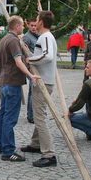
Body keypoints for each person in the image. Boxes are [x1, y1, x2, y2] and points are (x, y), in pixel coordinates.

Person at [0, 16, 39, 162]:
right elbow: (18, 62)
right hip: (12, 82)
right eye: (22, 25)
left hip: (4, 81)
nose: (24, 28)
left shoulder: (4, 39)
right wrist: (30, 75)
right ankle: (8, 151)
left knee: (3, 114)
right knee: (10, 117)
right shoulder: (13, 40)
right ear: (17, 25)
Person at [21, 10, 58, 168]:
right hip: (41, 81)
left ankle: (49, 154)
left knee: (40, 117)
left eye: (37, 19)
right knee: (39, 114)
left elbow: (48, 56)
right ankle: (36, 144)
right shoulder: (45, 37)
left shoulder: (46, 37)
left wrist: (31, 59)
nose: (35, 22)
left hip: (44, 82)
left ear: (42, 22)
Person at [22, 17, 39, 124]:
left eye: (35, 25)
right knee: (34, 91)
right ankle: (31, 115)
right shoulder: (27, 37)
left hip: (37, 66)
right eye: (31, 25)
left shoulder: (38, 35)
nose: (33, 27)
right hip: (31, 68)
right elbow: (23, 53)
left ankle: (32, 114)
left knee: (33, 91)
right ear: (28, 25)